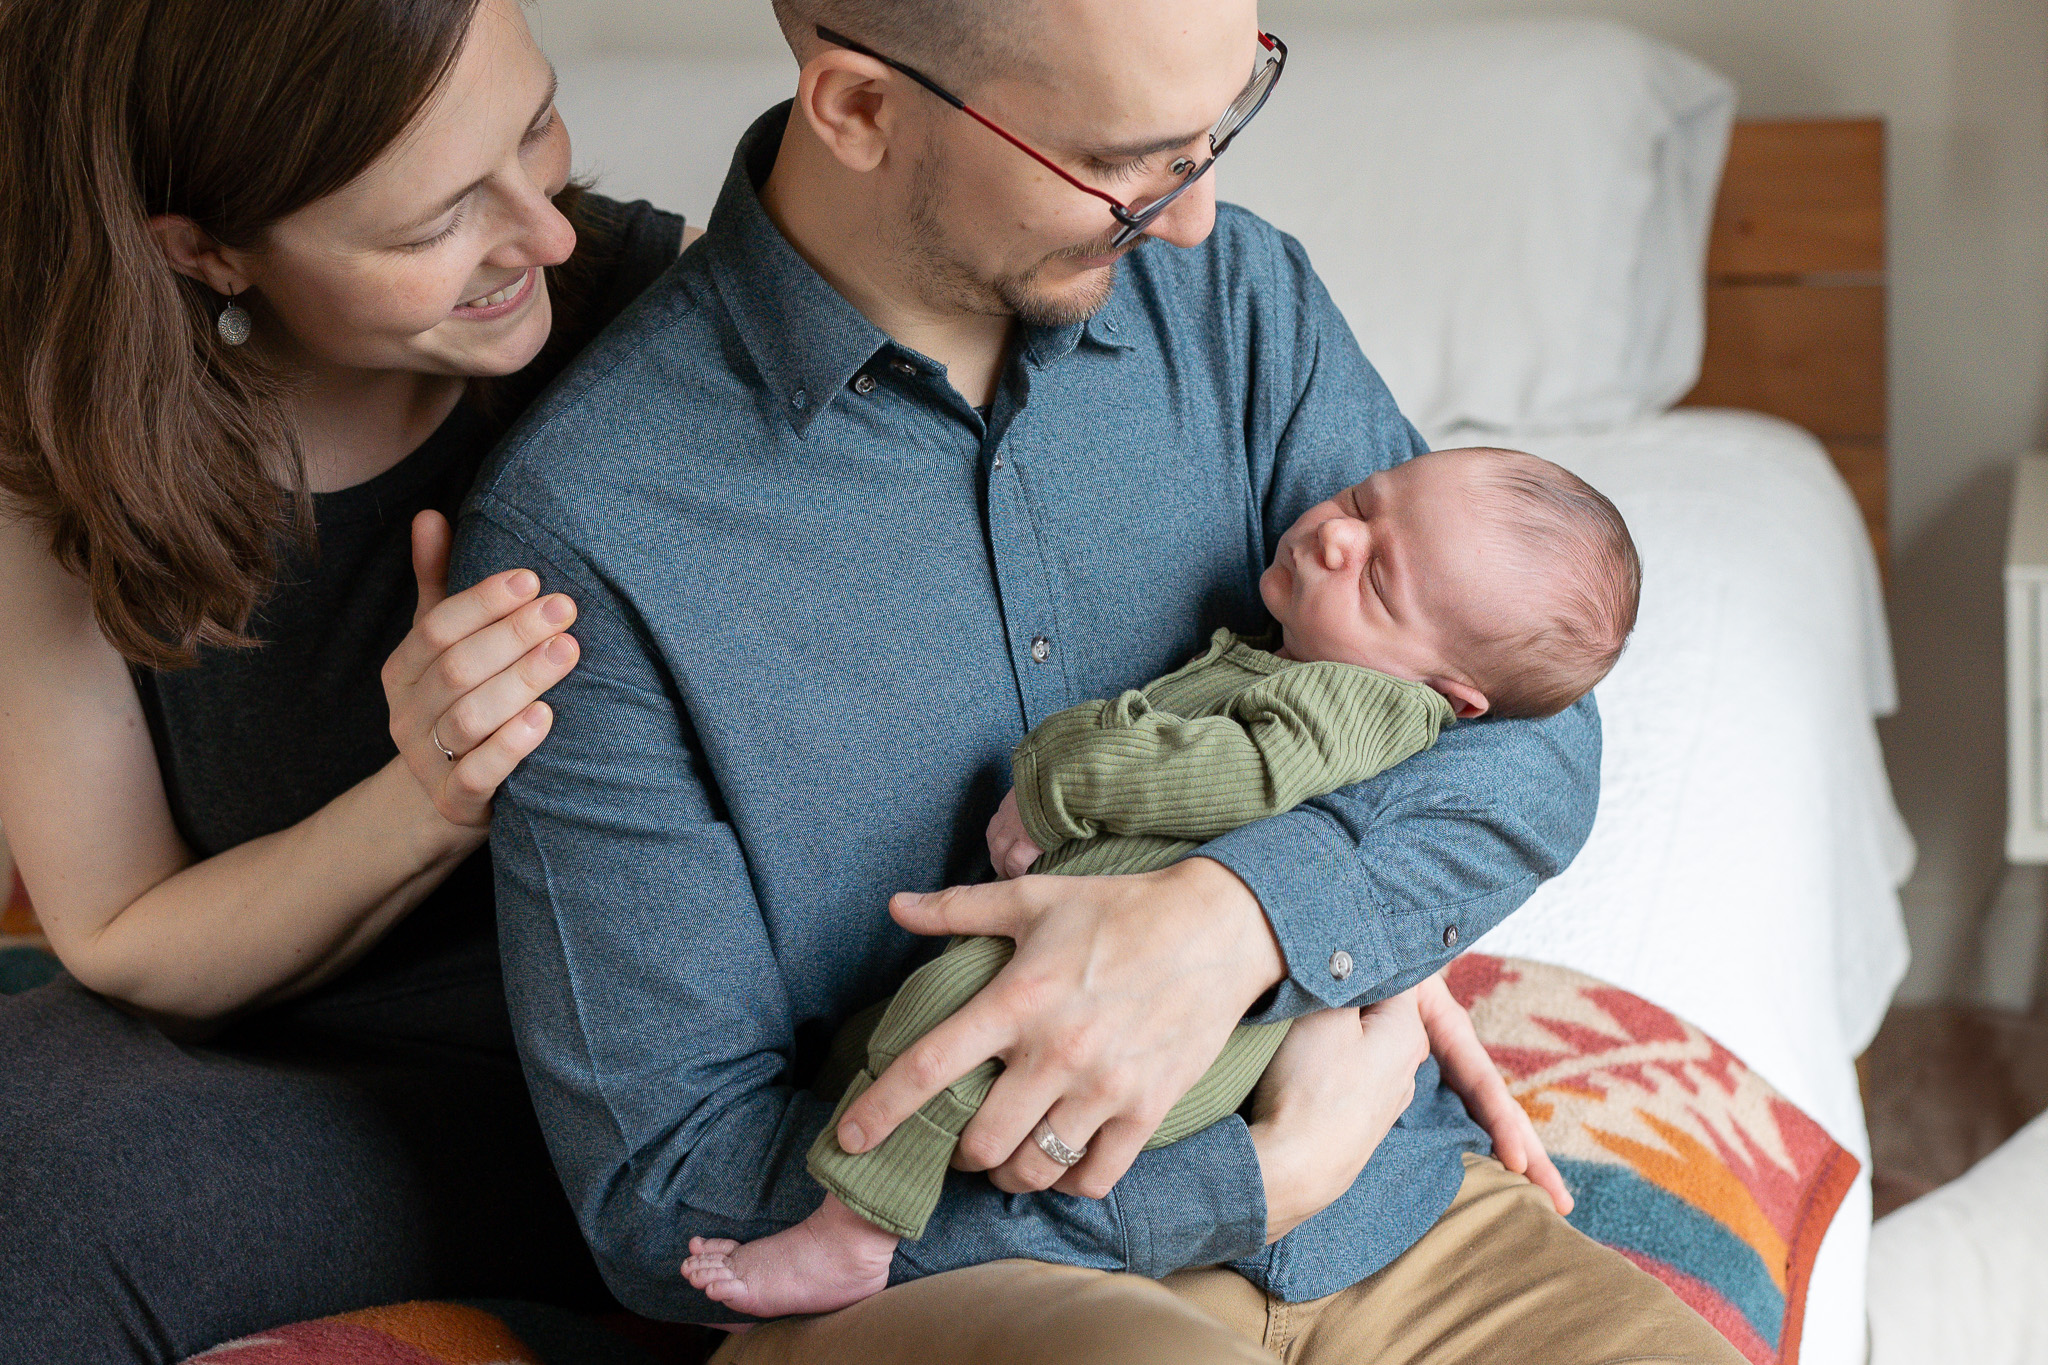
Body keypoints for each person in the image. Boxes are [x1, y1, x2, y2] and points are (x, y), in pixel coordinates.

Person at [451, 0, 1746, 1360]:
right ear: (860, 111)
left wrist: (1241, 920)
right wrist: (1251, 1182)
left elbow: (1529, 739)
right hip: (969, 1287)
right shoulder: (591, 530)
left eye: (1219, 122)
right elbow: (671, 1198)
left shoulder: (1243, 305)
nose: (1188, 218)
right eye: (1121, 160)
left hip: (1401, 1221)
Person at [0, 1, 700, 1360]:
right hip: (236, 1046)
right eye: (436, 221)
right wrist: (427, 797)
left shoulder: (661, 325)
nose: (546, 233)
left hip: (568, 1088)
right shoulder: (61, 451)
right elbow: (123, 928)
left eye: (536, 124)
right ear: (202, 250)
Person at [683, 446, 1641, 1318]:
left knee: (949, 1031)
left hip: (1221, 1088)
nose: (1337, 533)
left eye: (1381, 579)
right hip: (1196, 1118)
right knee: (910, 1038)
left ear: (1451, 695)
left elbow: (1232, 770)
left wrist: (1059, 779)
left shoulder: (1353, 702)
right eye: (1361, 499)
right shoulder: (1325, 655)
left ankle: (857, 1235)